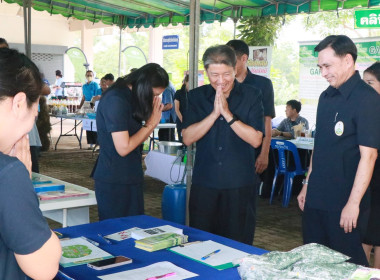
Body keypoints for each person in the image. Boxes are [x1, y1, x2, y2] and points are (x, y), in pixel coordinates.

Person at [297, 35, 380, 266]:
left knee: (346, 265)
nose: (323, 73)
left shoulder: (367, 99)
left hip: (345, 201)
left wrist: (353, 203)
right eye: (320, 67)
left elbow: (369, 156)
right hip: (317, 196)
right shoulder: (326, 97)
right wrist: (307, 183)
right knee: (313, 260)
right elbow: (319, 145)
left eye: (327, 66)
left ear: (347, 61)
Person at [182, 45, 264, 244]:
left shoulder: (252, 95)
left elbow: (255, 139)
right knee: (200, 244)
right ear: (206, 72)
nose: (220, 81)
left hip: (239, 185)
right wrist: (213, 114)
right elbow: (187, 137)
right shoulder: (196, 97)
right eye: (214, 75)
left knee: (238, 244)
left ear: (235, 69)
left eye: (226, 74)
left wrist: (227, 113)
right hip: (205, 184)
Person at [0, 48, 61, 279]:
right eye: (35, 107)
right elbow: (44, 268)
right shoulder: (8, 173)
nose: (35, 116)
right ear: (19, 103)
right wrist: (22, 181)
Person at [91, 63, 168, 220]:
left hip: (130, 174)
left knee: (134, 230)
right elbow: (123, 147)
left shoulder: (129, 96)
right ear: (143, 86)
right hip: (115, 178)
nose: (154, 100)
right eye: (153, 95)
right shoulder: (116, 99)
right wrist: (151, 124)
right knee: (116, 232)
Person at [226, 40, 275, 175]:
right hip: (227, 149)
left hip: (252, 150)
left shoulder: (263, 84)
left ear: (244, 58)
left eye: (231, 59)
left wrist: (264, 153)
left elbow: (267, 120)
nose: (227, 63)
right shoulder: (222, 83)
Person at [362, 62, 380, 268]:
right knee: (365, 238)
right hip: (368, 185)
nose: (365, 88)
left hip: (375, 185)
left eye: (370, 83)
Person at [80, 70, 100, 149]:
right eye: (88, 75)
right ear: (85, 76)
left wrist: (93, 105)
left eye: (90, 75)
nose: (89, 76)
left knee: (94, 125)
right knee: (88, 125)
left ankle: (96, 144)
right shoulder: (84, 86)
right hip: (86, 105)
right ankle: (90, 144)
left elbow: (96, 96)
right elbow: (83, 97)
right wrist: (79, 107)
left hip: (94, 105)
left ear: (93, 76)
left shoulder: (95, 85)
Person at [174, 74, 189, 142]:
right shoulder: (179, 93)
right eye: (189, 82)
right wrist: (184, 121)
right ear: (185, 82)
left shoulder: (194, 93)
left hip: (191, 122)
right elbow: (177, 109)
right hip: (181, 121)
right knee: (182, 141)